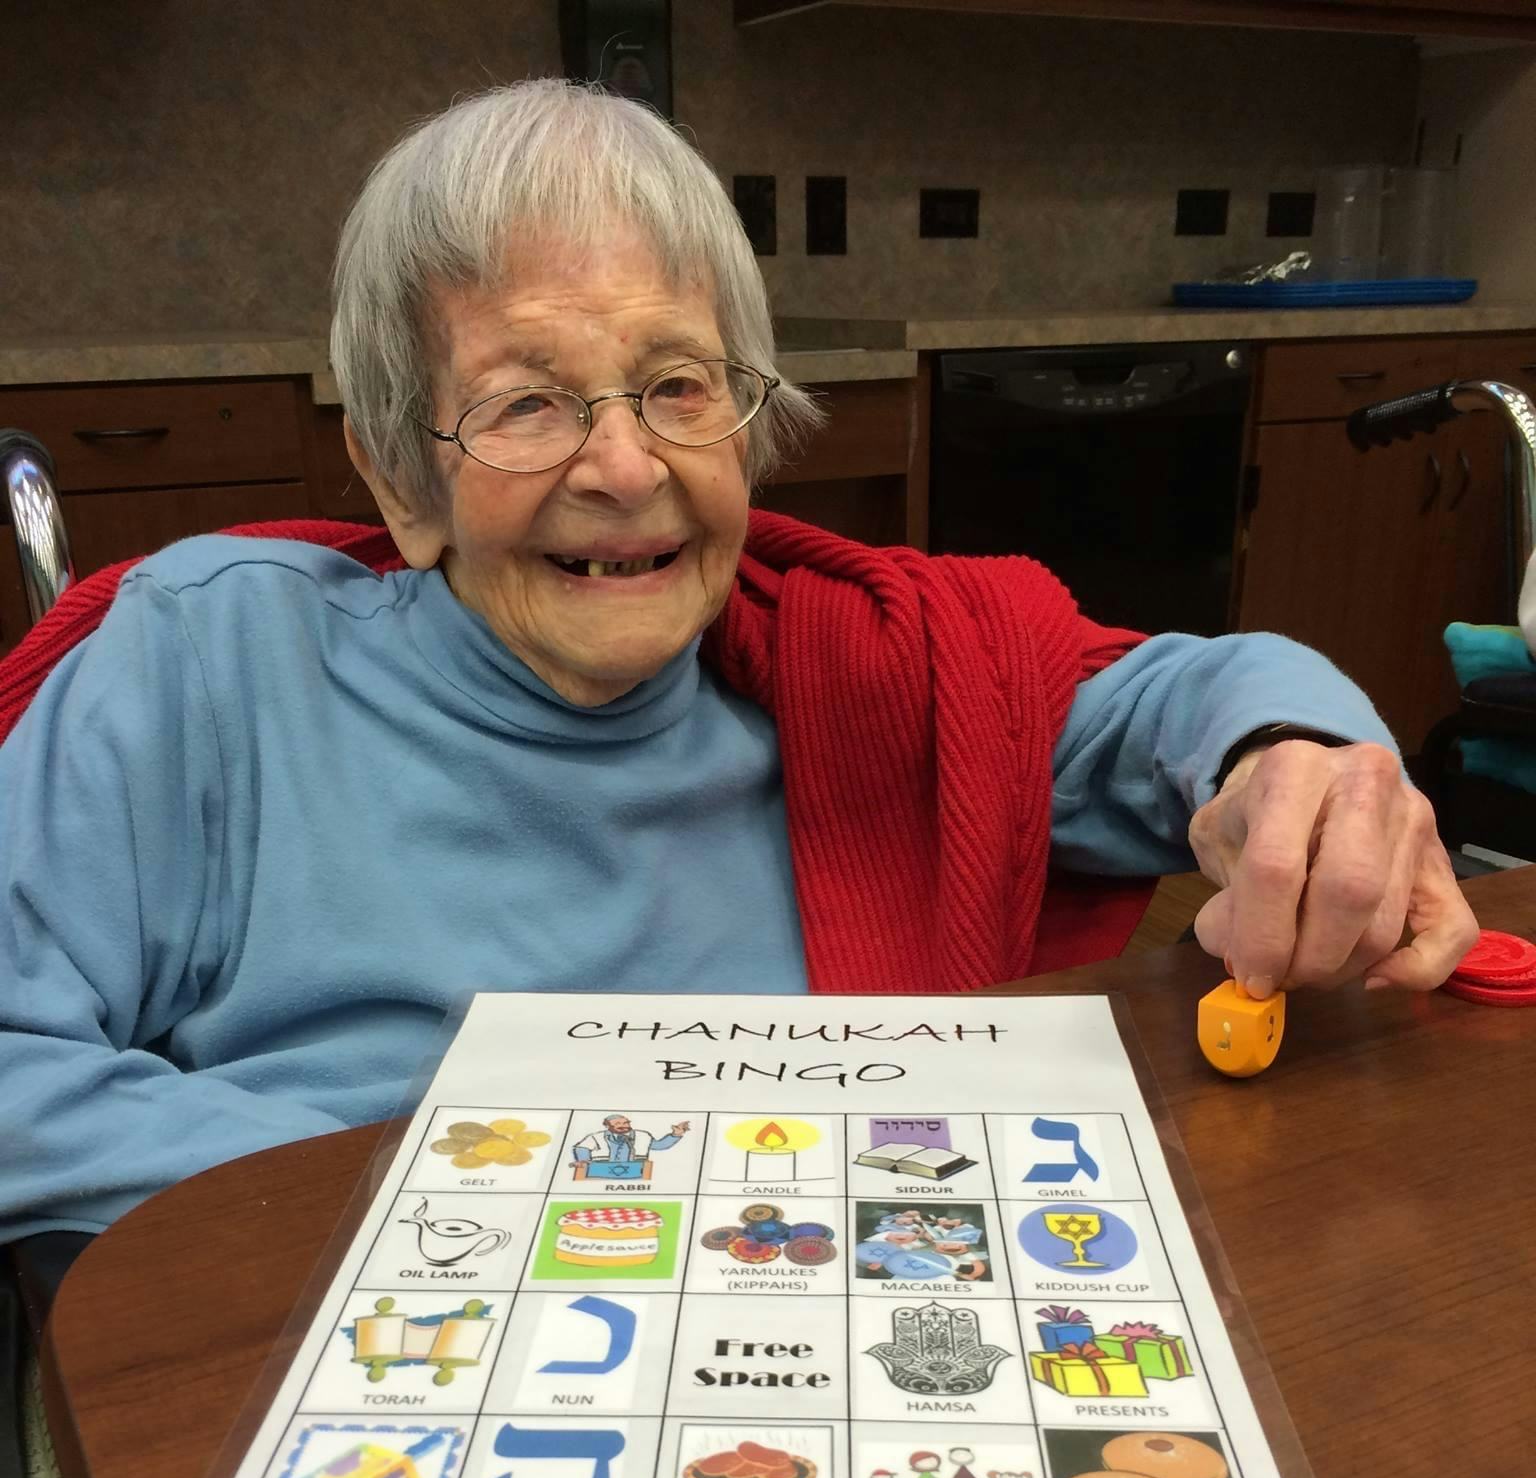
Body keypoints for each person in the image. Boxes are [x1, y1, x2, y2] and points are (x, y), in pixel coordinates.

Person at [0, 80, 1476, 1250]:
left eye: (677, 384)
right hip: (342, 1341)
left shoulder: (857, 675)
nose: (625, 467)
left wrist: (1293, 758)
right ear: (401, 475)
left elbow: (1175, 703)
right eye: (526, 404)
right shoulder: (211, 666)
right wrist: (465, 1198)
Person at [570, 1113, 691, 1180]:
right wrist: (583, 1160)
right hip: (600, 1172)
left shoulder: (643, 1135)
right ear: (607, 1126)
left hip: (635, 1173)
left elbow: (659, 1146)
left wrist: (676, 1134)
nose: (623, 1125)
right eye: (618, 1123)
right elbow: (581, 1148)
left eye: (626, 1123)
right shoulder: (596, 1136)